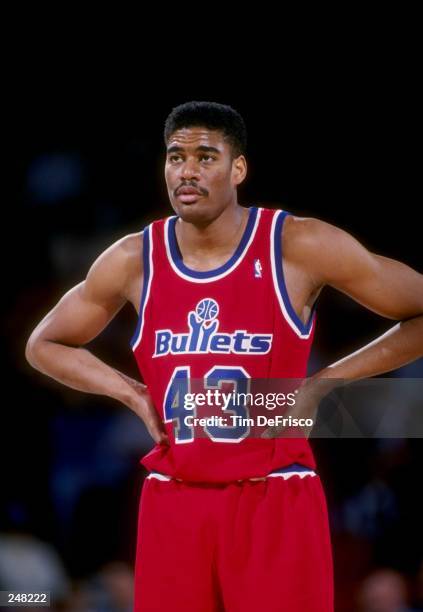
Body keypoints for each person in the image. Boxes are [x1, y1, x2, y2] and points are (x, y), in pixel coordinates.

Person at [25, 101, 423, 612]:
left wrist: (325, 381)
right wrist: (132, 392)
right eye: (175, 156)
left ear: (239, 169)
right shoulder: (133, 258)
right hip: (175, 497)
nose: (187, 170)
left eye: (205, 156)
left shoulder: (297, 244)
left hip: (272, 495)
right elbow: (44, 344)